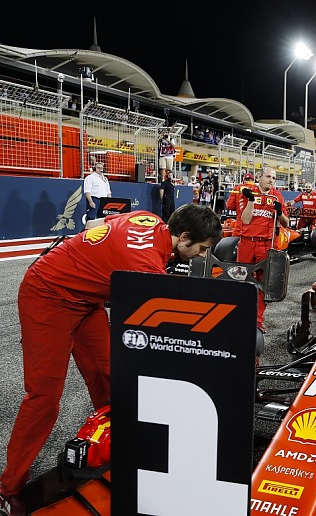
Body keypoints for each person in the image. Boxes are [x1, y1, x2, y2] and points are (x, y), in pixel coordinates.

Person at [0, 204, 222, 515]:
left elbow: (96, 222)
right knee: (44, 397)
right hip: (47, 295)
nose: (201, 255)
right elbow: (164, 324)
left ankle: (111, 448)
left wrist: (89, 263)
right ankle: (7, 489)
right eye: (202, 248)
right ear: (184, 237)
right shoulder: (144, 265)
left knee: (108, 374)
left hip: (85, 299)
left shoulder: (147, 217)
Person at [236, 167, 289, 331]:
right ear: (259, 177)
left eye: (274, 178)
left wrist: (279, 213)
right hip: (247, 242)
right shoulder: (248, 192)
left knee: (262, 282)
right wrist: (251, 201)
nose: (271, 180)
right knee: (242, 277)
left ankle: (257, 320)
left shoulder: (277, 196)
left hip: (266, 244)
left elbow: (286, 223)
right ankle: (240, 314)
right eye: (268, 176)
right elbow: (245, 220)